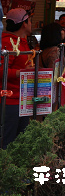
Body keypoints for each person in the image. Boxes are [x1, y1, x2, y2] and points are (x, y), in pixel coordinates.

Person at [1, 8, 33, 149]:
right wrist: (22, 73)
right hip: (9, 101)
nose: (31, 23)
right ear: (24, 24)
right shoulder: (7, 42)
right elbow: (1, 71)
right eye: (29, 20)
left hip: (23, 99)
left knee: (20, 141)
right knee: (8, 142)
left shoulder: (21, 42)